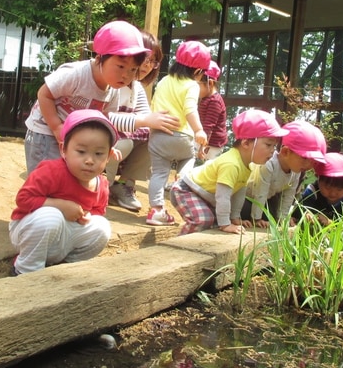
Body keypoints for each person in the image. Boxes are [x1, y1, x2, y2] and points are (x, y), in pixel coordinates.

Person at [24, 20, 178, 174]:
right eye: (121, 66)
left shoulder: (114, 89)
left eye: (133, 69)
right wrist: (57, 127)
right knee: (46, 178)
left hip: (72, 135)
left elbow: (103, 120)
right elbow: (44, 94)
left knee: (68, 179)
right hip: (45, 130)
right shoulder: (76, 74)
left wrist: (108, 146)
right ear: (100, 58)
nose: (126, 75)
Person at [9, 110, 118, 274]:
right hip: (30, 231)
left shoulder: (101, 184)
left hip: (65, 239)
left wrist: (87, 215)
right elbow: (23, 199)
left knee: (102, 227)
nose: (89, 160)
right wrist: (60, 205)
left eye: (98, 154)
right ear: (63, 150)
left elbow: (98, 211)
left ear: (108, 156)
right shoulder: (51, 171)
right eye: (81, 152)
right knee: (51, 216)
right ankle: (25, 268)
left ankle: (65, 268)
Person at [170, 109, 289, 235]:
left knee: (214, 223)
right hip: (186, 189)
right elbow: (223, 197)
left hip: (203, 195)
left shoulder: (247, 165)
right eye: (268, 145)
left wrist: (235, 218)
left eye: (274, 147)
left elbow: (239, 192)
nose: (272, 151)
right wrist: (226, 224)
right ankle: (179, 247)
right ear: (246, 143)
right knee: (203, 220)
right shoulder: (231, 164)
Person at [106, 31, 178, 212]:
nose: (148, 65)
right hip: (98, 138)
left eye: (154, 61)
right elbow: (103, 118)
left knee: (156, 137)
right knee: (123, 143)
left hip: (116, 138)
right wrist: (144, 120)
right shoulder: (113, 81)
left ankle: (124, 184)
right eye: (146, 58)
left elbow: (146, 116)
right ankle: (102, 186)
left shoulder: (136, 87)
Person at [146, 41, 211, 226]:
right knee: (189, 158)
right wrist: (199, 130)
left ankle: (156, 211)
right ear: (198, 71)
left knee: (158, 173)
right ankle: (182, 179)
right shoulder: (192, 85)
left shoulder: (165, 80)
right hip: (182, 136)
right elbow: (190, 108)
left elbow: (154, 104)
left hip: (158, 135)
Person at [241, 119, 327, 227]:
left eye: (313, 161)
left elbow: (288, 196)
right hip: (246, 196)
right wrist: (256, 219)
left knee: (270, 216)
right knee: (246, 209)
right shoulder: (269, 164)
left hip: (264, 200)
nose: (309, 165)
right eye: (305, 158)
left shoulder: (296, 171)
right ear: (286, 152)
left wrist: (283, 218)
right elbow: (260, 193)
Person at [294, 152, 343, 225]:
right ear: (318, 178)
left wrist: (330, 223)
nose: (333, 193)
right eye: (327, 187)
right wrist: (307, 215)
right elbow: (299, 212)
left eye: (339, 189)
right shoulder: (313, 191)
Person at [197, 60, 228, 161]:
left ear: (209, 83)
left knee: (206, 168)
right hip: (205, 140)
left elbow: (208, 126)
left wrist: (203, 146)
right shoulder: (206, 98)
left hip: (212, 145)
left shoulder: (214, 101)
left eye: (198, 85)